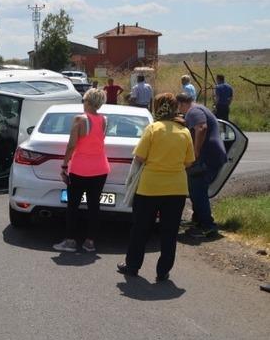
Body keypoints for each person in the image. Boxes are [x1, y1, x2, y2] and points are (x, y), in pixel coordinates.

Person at [118, 93, 195, 282]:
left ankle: (133, 266)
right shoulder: (184, 131)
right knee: (170, 232)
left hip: (149, 188)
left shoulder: (153, 129)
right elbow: (189, 162)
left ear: (158, 107)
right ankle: (163, 271)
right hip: (176, 189)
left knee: (140, 229)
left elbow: (140, 157)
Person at [53, 88, 109, 253]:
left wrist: (64, 165)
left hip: (80, 169)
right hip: (100, 168)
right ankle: (90, 242)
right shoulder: (104, 120)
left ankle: (70, 241)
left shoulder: (80, 119)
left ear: (88, 102)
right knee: (94, 206)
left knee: (73, 205)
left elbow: (71, 145)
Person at [176, 92, 227, 237]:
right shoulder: (199, 108)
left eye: (178, 106)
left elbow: (201, 128)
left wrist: (196, 151)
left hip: (207, 157)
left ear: (182, 104)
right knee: (195, 188)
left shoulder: (193, 111)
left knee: (198, 190)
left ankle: (208, 226)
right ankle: (198, 221)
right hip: (212, 155)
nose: (179, 110)